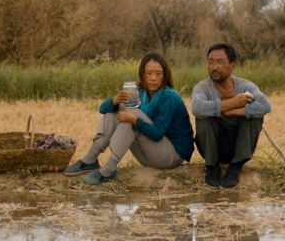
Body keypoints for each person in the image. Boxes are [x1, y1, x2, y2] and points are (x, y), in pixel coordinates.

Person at [64, 52, 194, 185]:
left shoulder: (169, 96)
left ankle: (109, 169)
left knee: (132, 115)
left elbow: (157, 133)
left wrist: (135, 120)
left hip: (171, 155)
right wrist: (114, 101)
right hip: (149, 157)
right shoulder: (140, 93)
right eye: (149, 73)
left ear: (165, 75)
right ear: (142, 74)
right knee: (113, 112)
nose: (153, 78)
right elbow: (103, 110)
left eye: (158, 73)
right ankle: (90, 160)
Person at [191, 42, 271, 188]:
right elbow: (197, 108)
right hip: (211, 148)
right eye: (211, 62)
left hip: (238, 146)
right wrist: (234, 102)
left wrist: (231, 111)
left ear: (232, 64)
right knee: (204, 116)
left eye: (220, 62)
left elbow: (265, 105)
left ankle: (236, 165)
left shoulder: (246, 86)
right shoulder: (202, 87)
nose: (214, 67)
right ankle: (212, 166)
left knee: (254, 115)